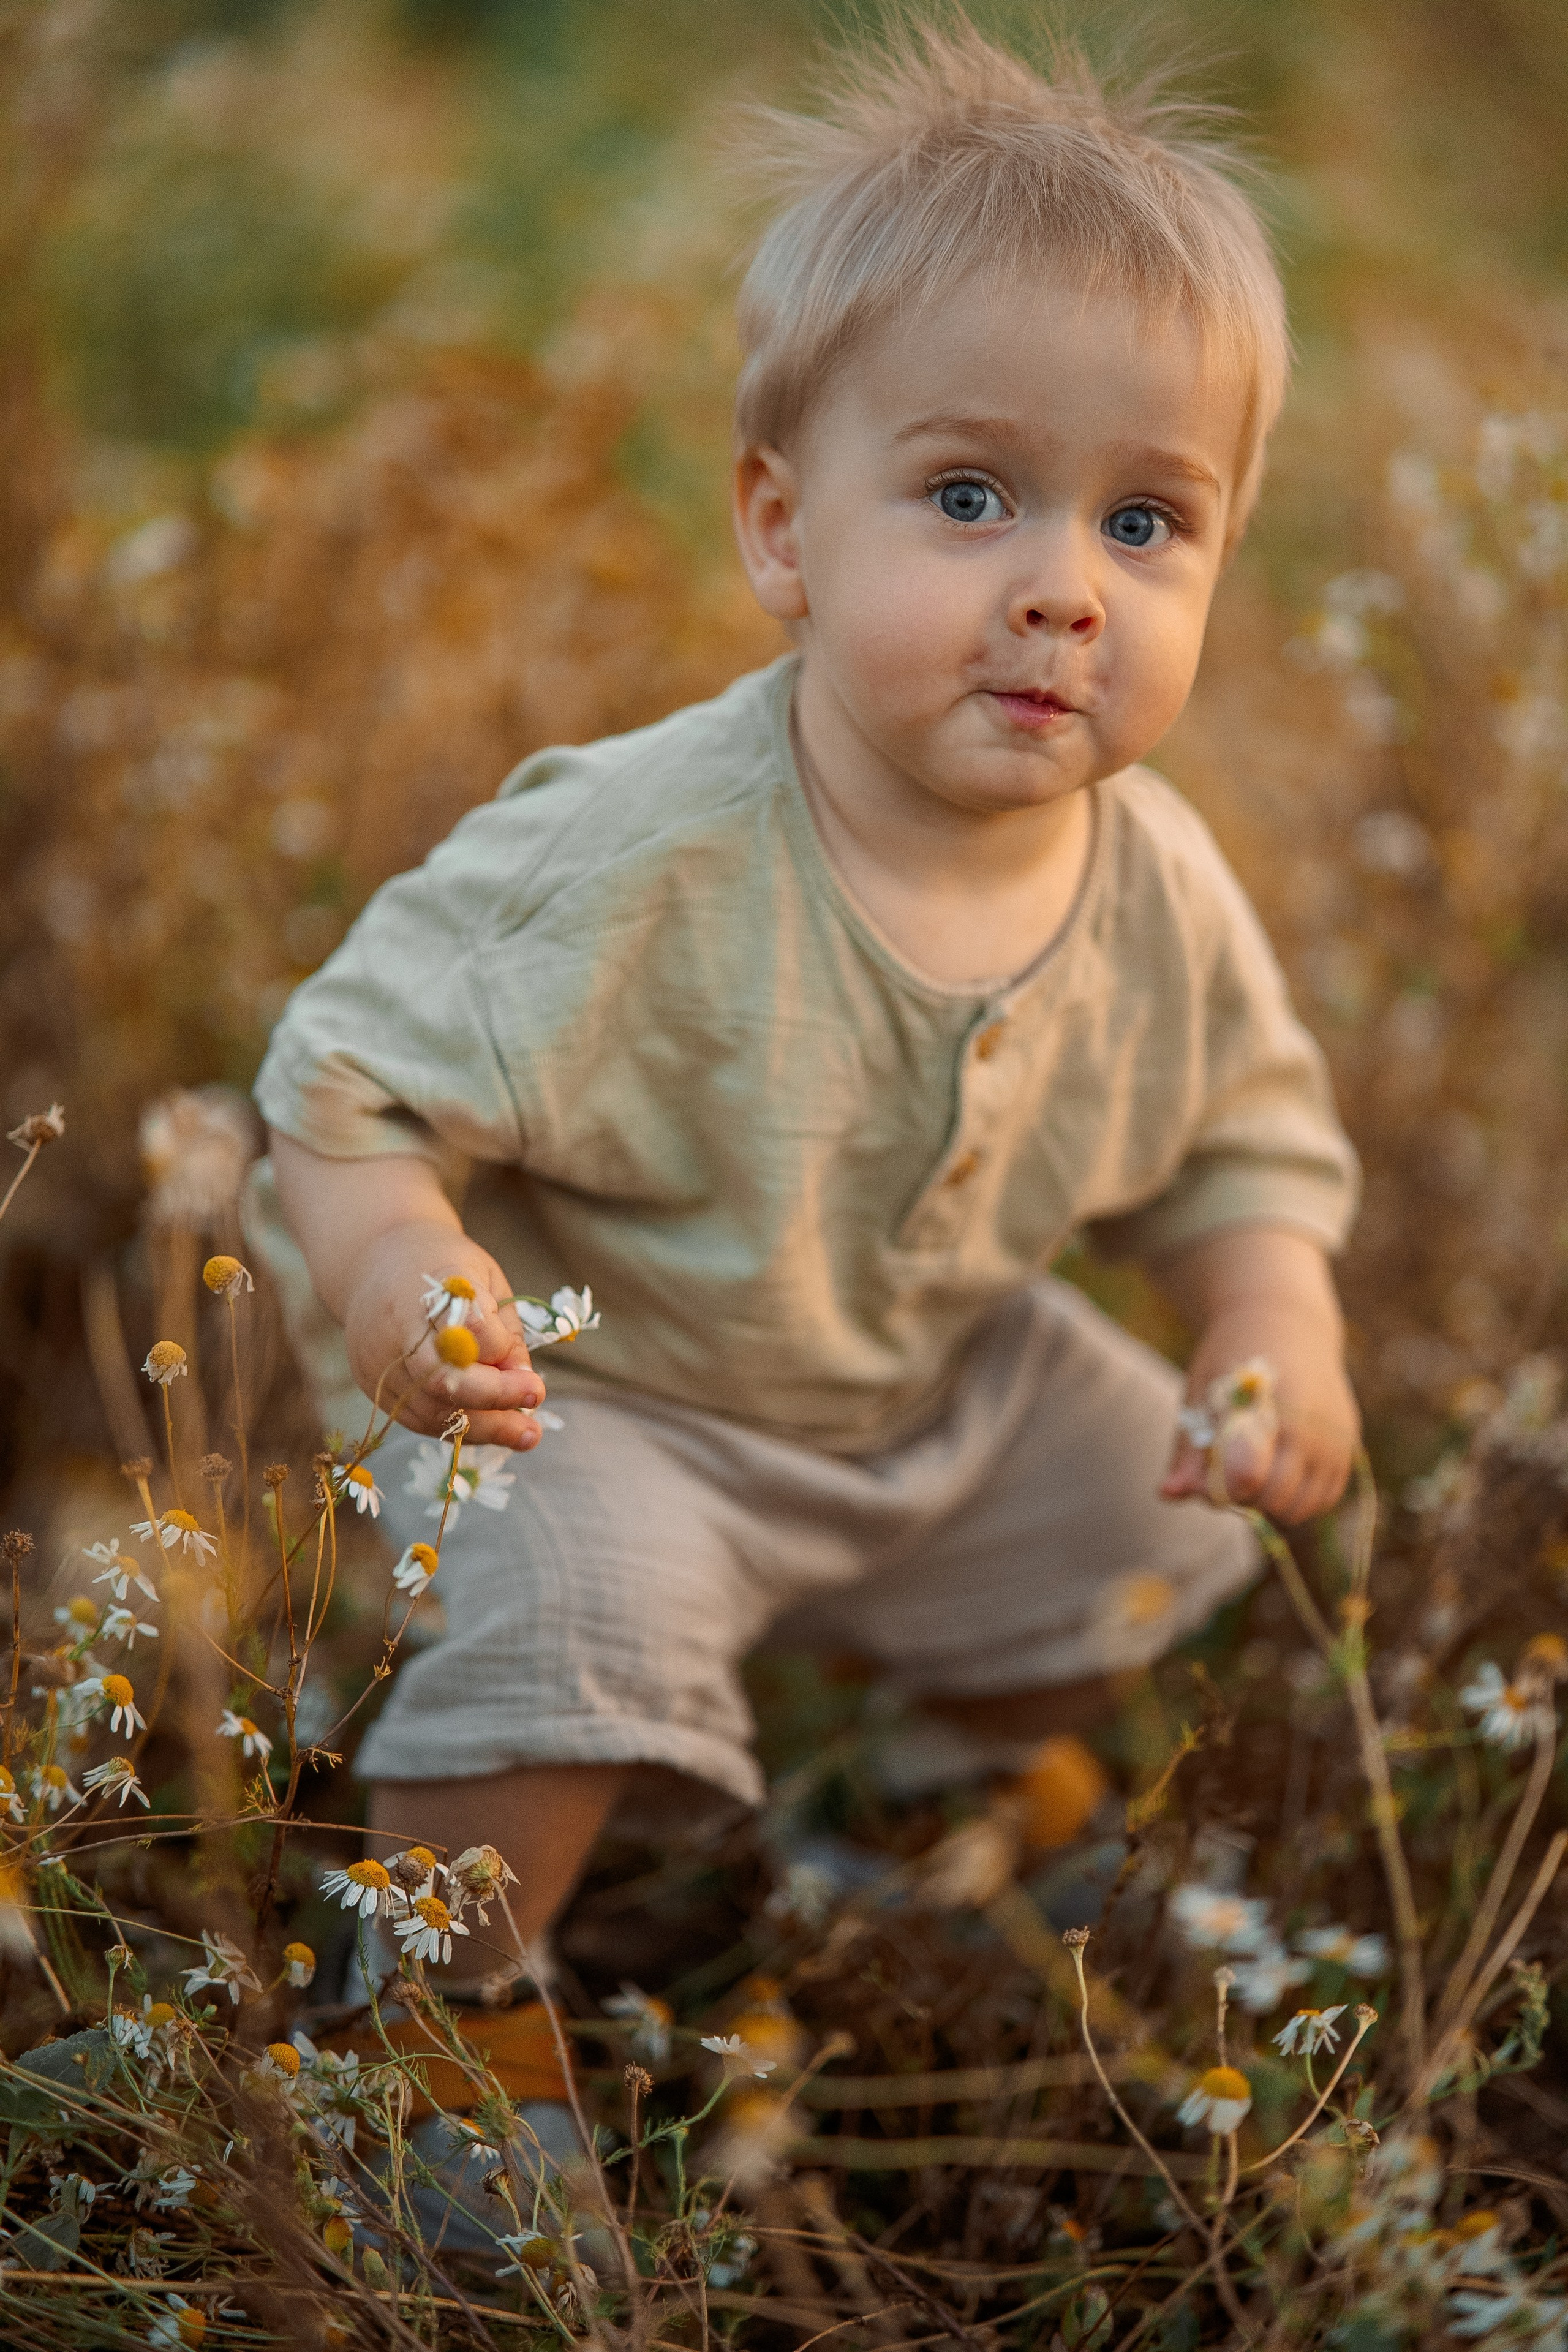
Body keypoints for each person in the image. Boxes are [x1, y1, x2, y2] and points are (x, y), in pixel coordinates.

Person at [249, 22, 1360, 1997]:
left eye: (1141, 522)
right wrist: (400, 1281)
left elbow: (1239, 1145)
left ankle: (938, 1802)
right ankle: (433, 2012)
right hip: (611, 1397)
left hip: (919, 1390)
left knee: (1133, 1506)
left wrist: (1269, 1319)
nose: (1065, 591)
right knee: (557, 1618)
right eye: (968, 497)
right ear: (781, 527)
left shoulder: (1157, 880)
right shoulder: (637, 853)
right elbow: (346, 1092)